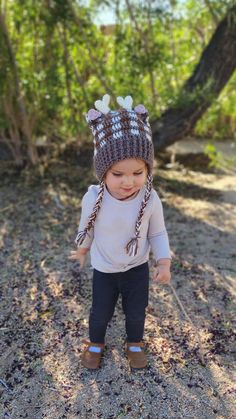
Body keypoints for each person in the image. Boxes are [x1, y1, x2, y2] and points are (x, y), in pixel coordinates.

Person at [69, 94, 171, 370]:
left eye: (138, 172)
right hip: (104, 269)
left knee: (136, 312)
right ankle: (95, 343)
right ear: (103, 172)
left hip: (136, 268)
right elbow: (86, 227)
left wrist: (163, 261)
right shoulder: (93, 199)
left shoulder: (150, 199)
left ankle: (134, 342)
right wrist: (82, 249)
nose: (129, 182)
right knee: (100, 311)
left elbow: (157, 233)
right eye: (118, 174)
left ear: (148, 169)